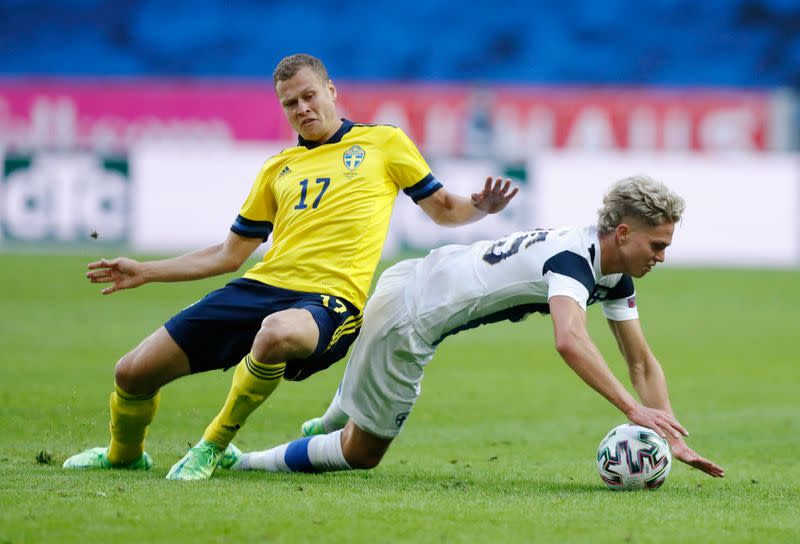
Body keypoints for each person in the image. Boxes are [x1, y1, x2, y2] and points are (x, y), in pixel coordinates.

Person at [62, 53, 518, 479]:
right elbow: (229, 254)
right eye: (290, 104)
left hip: (330, 302)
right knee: (132, 372)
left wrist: (480, 207)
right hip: (260, 287)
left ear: (331, 91)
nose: (302, 108)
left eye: (309, 96)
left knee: (278, 333)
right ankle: (124, 457)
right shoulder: (277, 168)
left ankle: (213, 445)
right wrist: (146, 271)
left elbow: (441, 209)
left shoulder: (383, 142)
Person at [227, 175, 725, 480]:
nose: (662, 257)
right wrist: (633, 409)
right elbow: (570, 340)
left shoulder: (609, 268)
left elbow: (640, 359)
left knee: (365, 396)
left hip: (411, 279)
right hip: (410, 321)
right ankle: (245, 462)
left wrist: (670, 432)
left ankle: (335, 412)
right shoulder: (573, 262)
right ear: (623, 233)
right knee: (362, 454)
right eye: (657, 245)